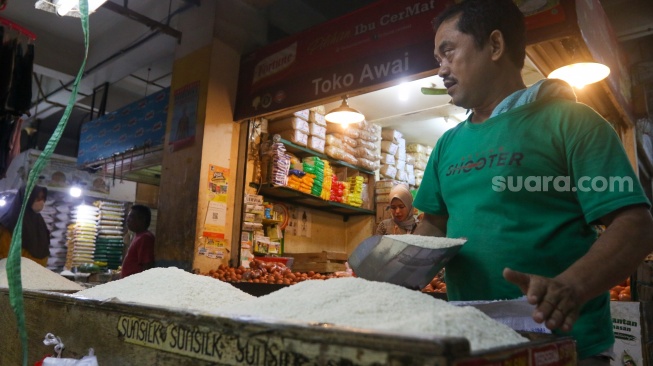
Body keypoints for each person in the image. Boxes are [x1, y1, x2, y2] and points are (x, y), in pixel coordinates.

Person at [412, 0, 653, 364]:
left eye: (448, 52)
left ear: (494, 45)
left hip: (566, 347)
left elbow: (634, 224)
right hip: (473, 345)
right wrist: (390, 271)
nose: (440, 69)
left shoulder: (572, 122)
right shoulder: (448, 143)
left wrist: (573, 286)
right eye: (438, 57)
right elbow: (433, 224)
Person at [0, 185, 50, 266]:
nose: (41, 201)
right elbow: (5, 253)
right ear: (26, 198)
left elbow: (44, 251)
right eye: (37, 197)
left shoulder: (40, 223)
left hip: (36, 273)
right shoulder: (9, 223)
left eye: (43, 198)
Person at [121, 204, 155, 278]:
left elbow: (147, 266)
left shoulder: (145, 238)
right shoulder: (138, 236)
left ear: (142, 219)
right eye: (128, 216)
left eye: (132, 217)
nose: (128, 220)